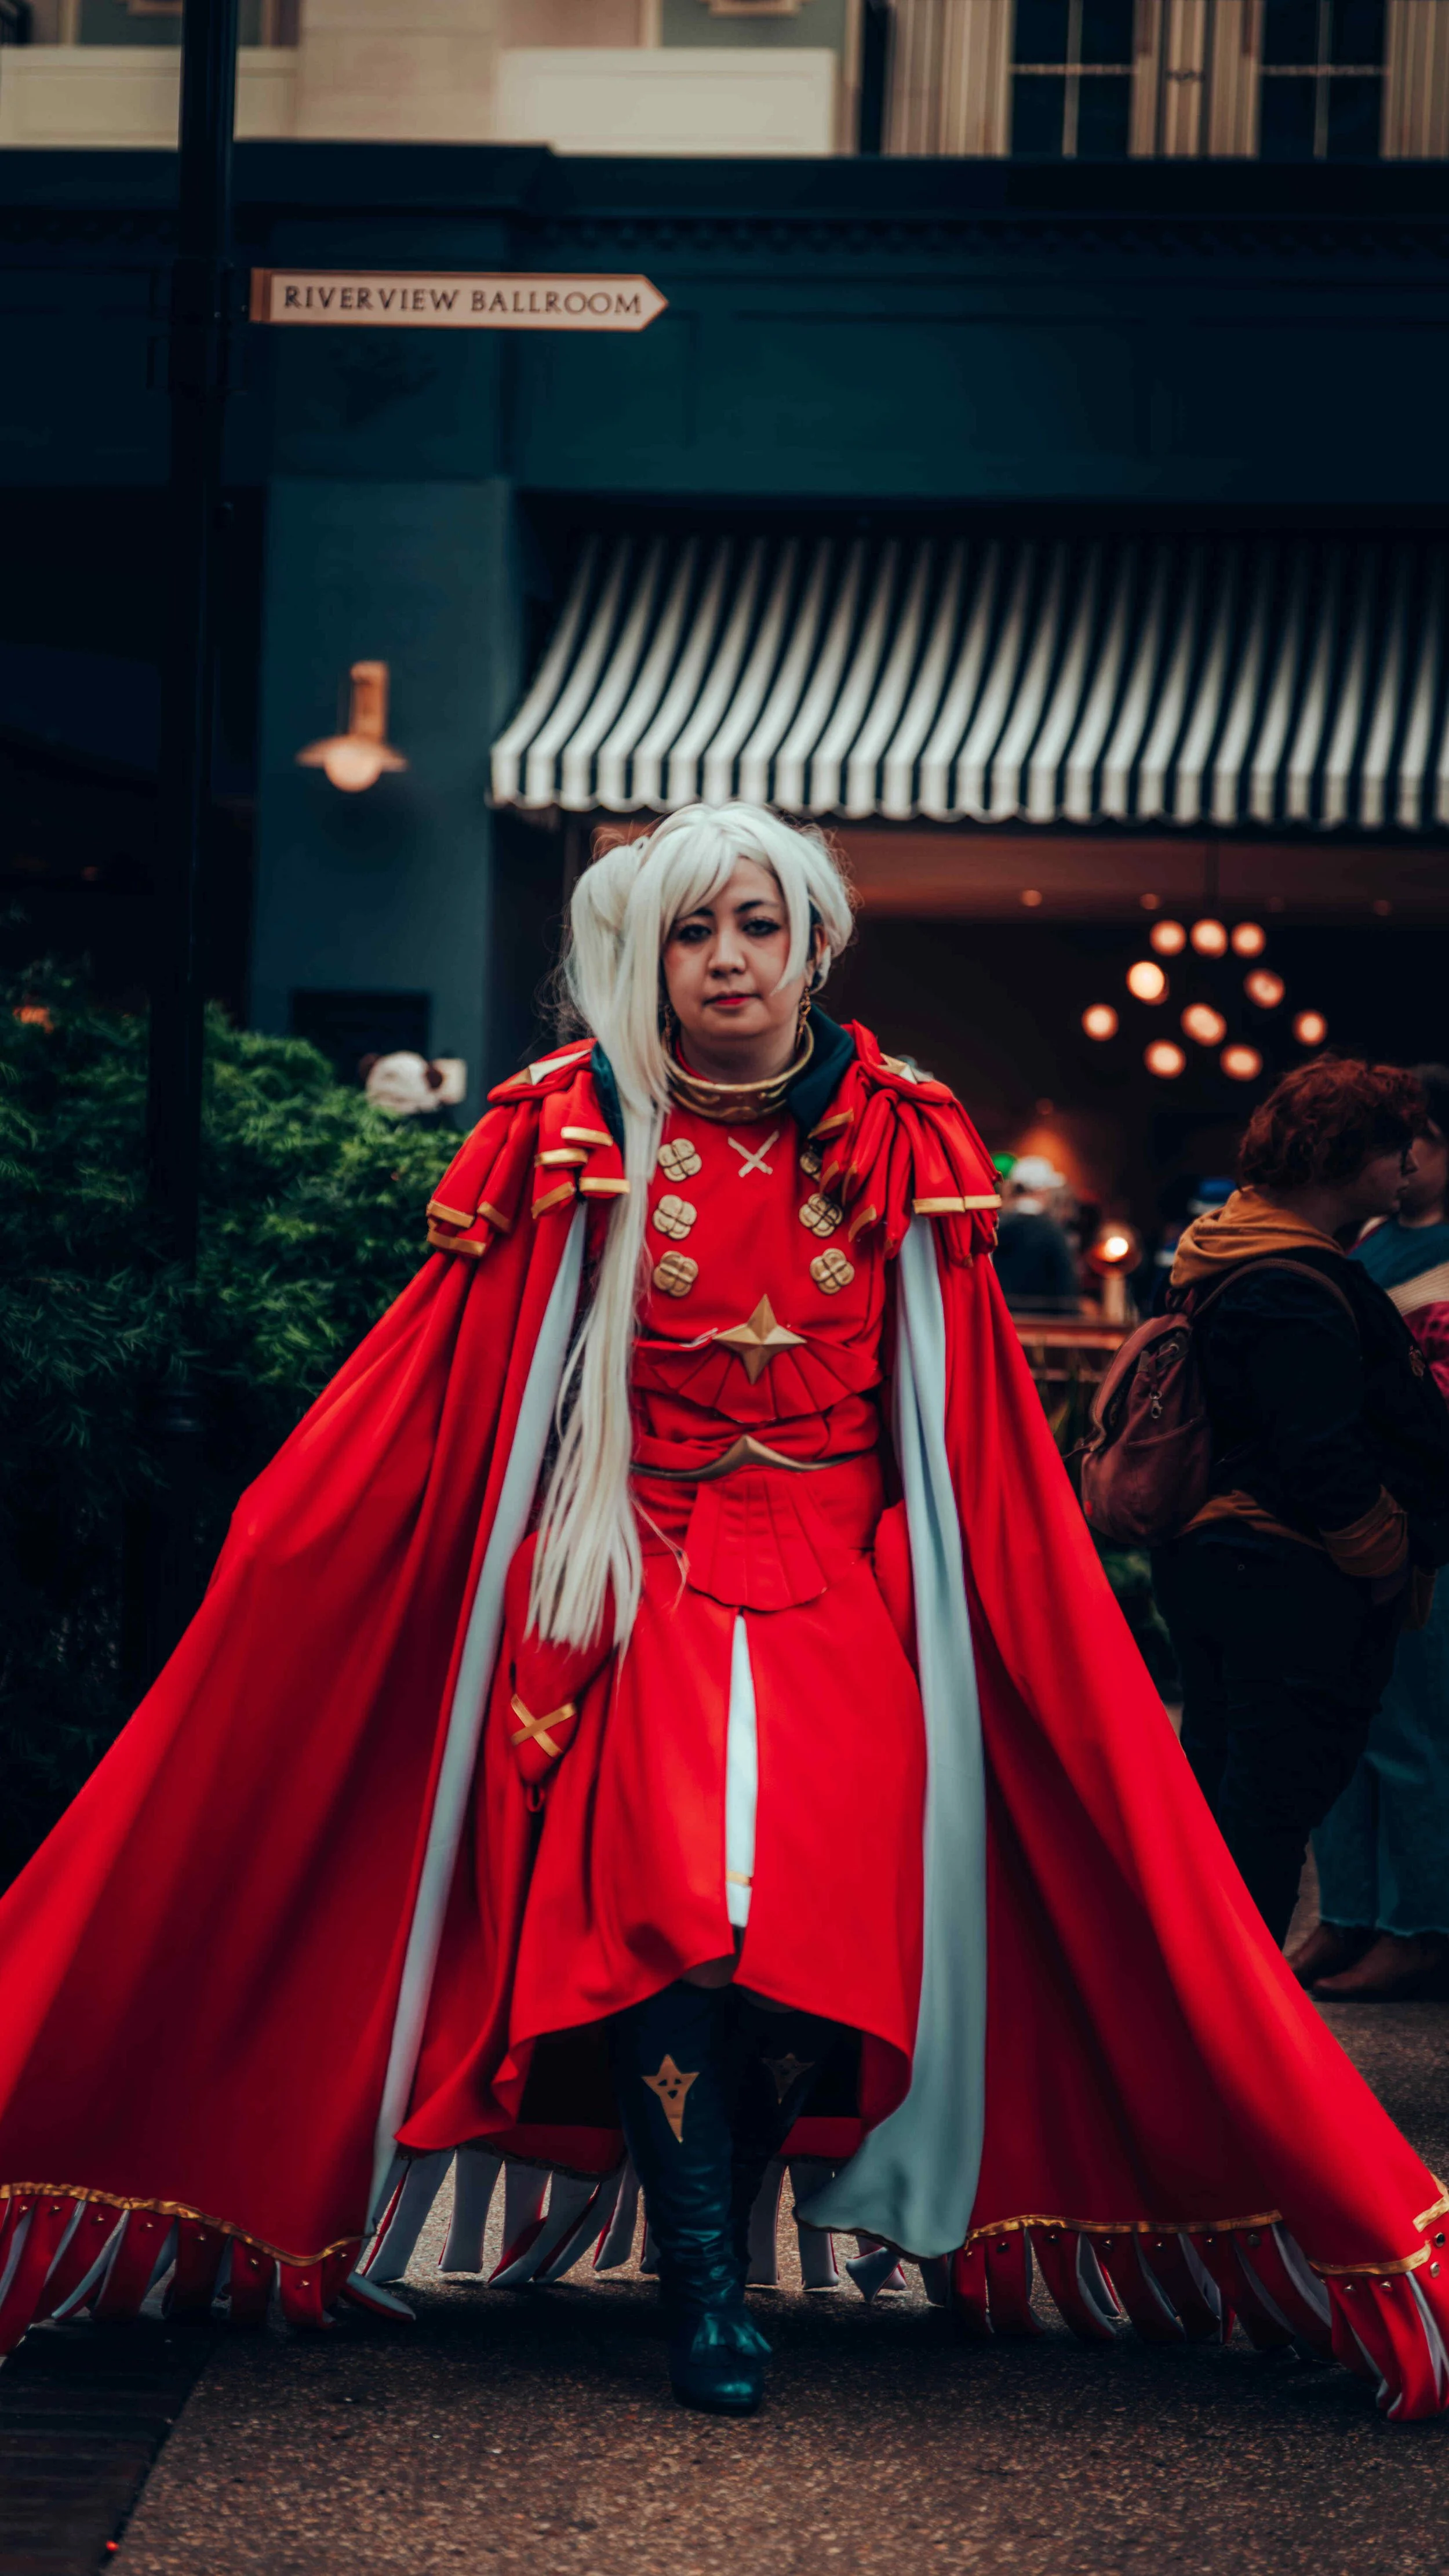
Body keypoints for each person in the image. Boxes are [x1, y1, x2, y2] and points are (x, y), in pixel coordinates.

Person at [3, 811, 1449, 2424]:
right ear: (650, 956)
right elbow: (449, 1378)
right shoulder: (566, 1125)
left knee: (810, 1942)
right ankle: (701, 2284)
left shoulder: (910, 1130)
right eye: (693, 934)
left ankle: (729, 2266)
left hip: (840, 1583)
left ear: (811, 942)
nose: (728, 962)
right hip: (636, 1579)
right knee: (675, 1910)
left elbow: (959, 1414)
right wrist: (308, 1544)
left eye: (756, 926)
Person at [1153, 1059, 1449, 1965]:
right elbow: (1320, 1454)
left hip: (1225, 1560)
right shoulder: (1290, 1275)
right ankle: (1231, 2024)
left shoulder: (1236, 1246)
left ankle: (1211, 2010)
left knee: (1233, 1791)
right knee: (1264, 1813)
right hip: (1284, 1572)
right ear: (1347, 1156)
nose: (1407, 1166)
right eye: (1394, 1148)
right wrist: (1386, 1557)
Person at [1295, 1063, 1449, 1999]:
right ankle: (1348, 1912)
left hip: (1427, 1521)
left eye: (1416, 1139)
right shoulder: (1367, 1240)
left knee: (1413, 1727)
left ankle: (1417, 1921)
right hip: (1344, 1509)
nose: (1398, 1158)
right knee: (1341, 1724)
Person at [991, 1152, 1080, 1311]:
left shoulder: (996, 1227)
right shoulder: (1053, 1232)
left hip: (1001, 1319)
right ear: (1043, 1191)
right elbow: (1066, 1288)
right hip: (1045, 1325)